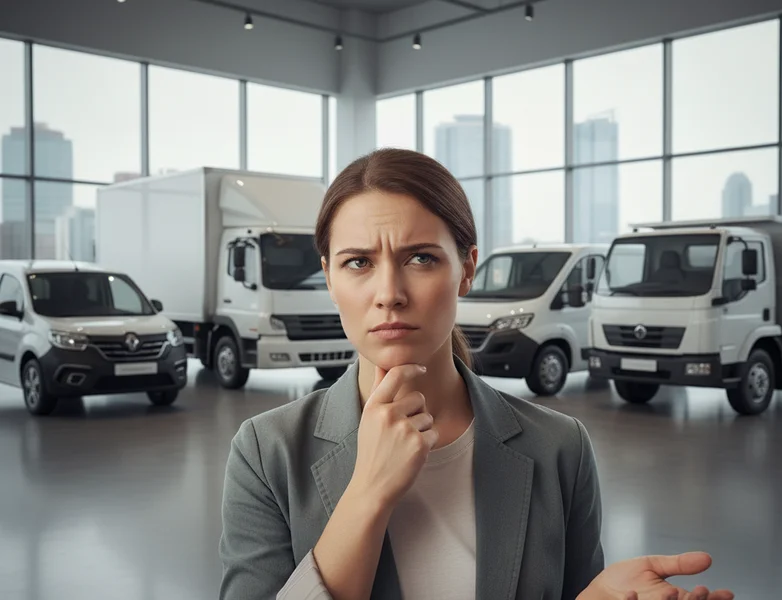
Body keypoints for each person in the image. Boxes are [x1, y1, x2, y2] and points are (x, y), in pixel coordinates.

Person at [218, 148, 734, 600]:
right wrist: (369, 492)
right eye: (358, 263)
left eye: (420, 258)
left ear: (466, 269)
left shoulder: (560, 447)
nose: (389, 292)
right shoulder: (266, 453)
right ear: (328, 276)